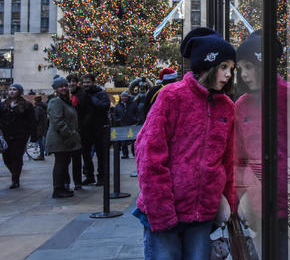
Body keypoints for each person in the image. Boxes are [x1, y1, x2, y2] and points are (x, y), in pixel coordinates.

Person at [134, 27, 237, 260]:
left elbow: (227, 161)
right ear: (207, 66)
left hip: (202, 214)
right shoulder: (172, 97)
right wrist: (161, 209)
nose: (229, 74)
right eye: (223, 67)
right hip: (165, 211)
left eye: (231, 68)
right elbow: (149, 155)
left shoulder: (227, 108)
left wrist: (227, 202)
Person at [234, 30, 290, 258]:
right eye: (240, 69)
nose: (244, 74)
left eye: (249, 67)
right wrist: (241, 196)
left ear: (262, 64)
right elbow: (237, 158)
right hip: (259, 207)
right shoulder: (242, 106)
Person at [46, 76, 82, 198]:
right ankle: (58, 189)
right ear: (55, 88)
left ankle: (61, 187)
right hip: (60, 139)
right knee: (60, 163)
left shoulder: (66, 101)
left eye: (65, 86)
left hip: (65, 139)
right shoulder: (56, 101)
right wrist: (70, 134)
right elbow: (58, 122)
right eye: (60, 86)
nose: (64, 88)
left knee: (64, 163)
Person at [0, 83, 35, 189]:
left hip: (20, 135)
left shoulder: (26, 105)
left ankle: (15, 179)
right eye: (10, 89)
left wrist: (33, 134)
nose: (12, 91)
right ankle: (14, 172)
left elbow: (31, 120)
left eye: (14, 89)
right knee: (6, 157)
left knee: (16, 157)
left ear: (19, 92)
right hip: (6, 134)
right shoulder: (4, 104)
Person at [79, 74, 110, 186]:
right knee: (86, 155)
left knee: (101, 154)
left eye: (88, 82)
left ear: (93, 82)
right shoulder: (81, 94)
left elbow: (105, 106)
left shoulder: (100, 93)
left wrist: (91, 98)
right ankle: (89, 176)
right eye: (84, 82)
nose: (86, 84)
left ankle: (101, 177)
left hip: (99, 128)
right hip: (86, 129)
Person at [111, 91, 138, 158]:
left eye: (125, 96)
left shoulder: (133, 104)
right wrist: (118, 120)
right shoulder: (118, 105)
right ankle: (125, 154)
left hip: (132, 124)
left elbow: (137, 112)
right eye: (123, 96)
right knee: (124, 142)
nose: (124, 98)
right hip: (122, 125)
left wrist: (135, 120)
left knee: (134, 141)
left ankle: (135, 154)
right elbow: (115, 114)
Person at [32, 95, 48, 160]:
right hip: (43, 126)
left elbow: (36, 118)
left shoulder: (38, 108)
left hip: (39, 127)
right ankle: (43, 154)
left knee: (40, 141)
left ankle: (42, 155)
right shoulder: (43, 106)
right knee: (42, 140)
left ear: (35, 100)